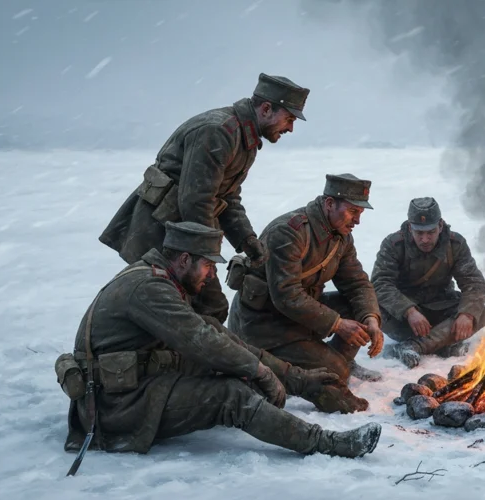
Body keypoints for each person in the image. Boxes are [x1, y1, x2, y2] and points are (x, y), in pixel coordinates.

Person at [59, 221, 380, 459]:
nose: (212, 275)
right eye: (208, 265)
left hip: (136, 388)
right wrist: (260, 372)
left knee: (220, 336)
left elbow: (213, 335)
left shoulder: (157, 278)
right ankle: (324, 443)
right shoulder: (149, 289)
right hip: (114, 408)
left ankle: (301, 382)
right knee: (232, 394)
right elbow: (201, 343)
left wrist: (297, 379)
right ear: (183, 259)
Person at [98, 73, 310, 323]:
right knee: (200, 307)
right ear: (266, 109)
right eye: (289, 119)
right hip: (161, 233)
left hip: (180, 234)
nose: (290, 128)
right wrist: (207, 262)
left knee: (191, 309)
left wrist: (247, 240)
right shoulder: (218, 132)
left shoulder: (243, 137)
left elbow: (228, 197)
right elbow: (195, 203)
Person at [227, 174, 384, 413]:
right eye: (353, 212)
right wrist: (338, 324)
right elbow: (287, 296)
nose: (357, 221)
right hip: (263, 324)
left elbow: (356, 283)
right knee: (337, 372)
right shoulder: (289, 232)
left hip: (296, 315)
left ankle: (331, 360)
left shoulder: (340, 236)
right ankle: (312, 366)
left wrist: (371, 318)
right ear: (329, 204)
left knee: (358, 310)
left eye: (360, 214)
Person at [372, 197, 485, 368]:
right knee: (374, 309)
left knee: (481, 313)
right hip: (404, 317)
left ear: (440, 226)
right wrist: (408, 310)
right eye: (419, 233)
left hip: (440, 308)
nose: (425, 239)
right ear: (410, 227)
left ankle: (415, 346)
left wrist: (467, 314)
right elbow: (380, 284)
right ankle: (442, 345)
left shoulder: (455, 244)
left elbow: (474, 283)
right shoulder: (393, 245)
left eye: (431, 232)